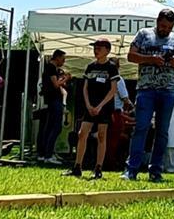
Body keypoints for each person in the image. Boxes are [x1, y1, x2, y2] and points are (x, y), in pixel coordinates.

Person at [122, 8, 174, 182]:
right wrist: (151, 59)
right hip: (146, 89)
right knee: (141, 128)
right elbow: (130, 56)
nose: (166, 30)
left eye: (169, 27)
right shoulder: (143, 34)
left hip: (168, 90)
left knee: (162, 132)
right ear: (157, 21)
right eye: (163, 26)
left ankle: (156, 170)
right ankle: (131, 169)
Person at [65, 38, 119, 179]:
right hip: (90, 106)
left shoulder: (111, 68)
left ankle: (98, 167)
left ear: (107, 51)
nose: (96, 51)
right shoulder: (90, 66)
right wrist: (88, 105)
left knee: (101, 135)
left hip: (104, 107)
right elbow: (85, 88)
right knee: (82, 133)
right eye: (95, 48)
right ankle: (77, 166)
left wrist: (100, 106)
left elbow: (113, 89)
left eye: (99, 48)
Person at [36, 49, 71, 164]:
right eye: (63, 59)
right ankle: (48, 155)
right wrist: (66, 79)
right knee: (56, 128)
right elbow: (56, 85)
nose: (64, 61)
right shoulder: (51, 68)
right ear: (57, 57)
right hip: (54, 101)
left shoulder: (51, 69)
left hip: (52, 100)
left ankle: (44, 153)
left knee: (49, 127)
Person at [104, 57, 132, 169]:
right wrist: (131, 107)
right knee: (114, 140)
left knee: (106, 138)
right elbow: (125, 98)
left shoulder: (105, 78)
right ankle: (111, 162)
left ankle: (105, 161)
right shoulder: (118, 79)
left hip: (105, 112)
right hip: (115, 113)